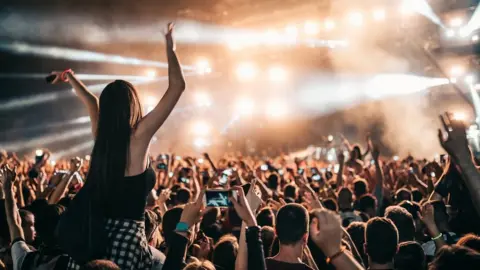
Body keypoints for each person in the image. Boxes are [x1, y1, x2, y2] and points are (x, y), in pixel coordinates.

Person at [52, 22, 186, 269]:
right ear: (132, 105)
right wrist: (170, 47)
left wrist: (70, 77)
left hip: (95, 234)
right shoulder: (138, 136)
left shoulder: (101, 136)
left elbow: (91, 102)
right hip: (127, 238)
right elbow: (177, 87)